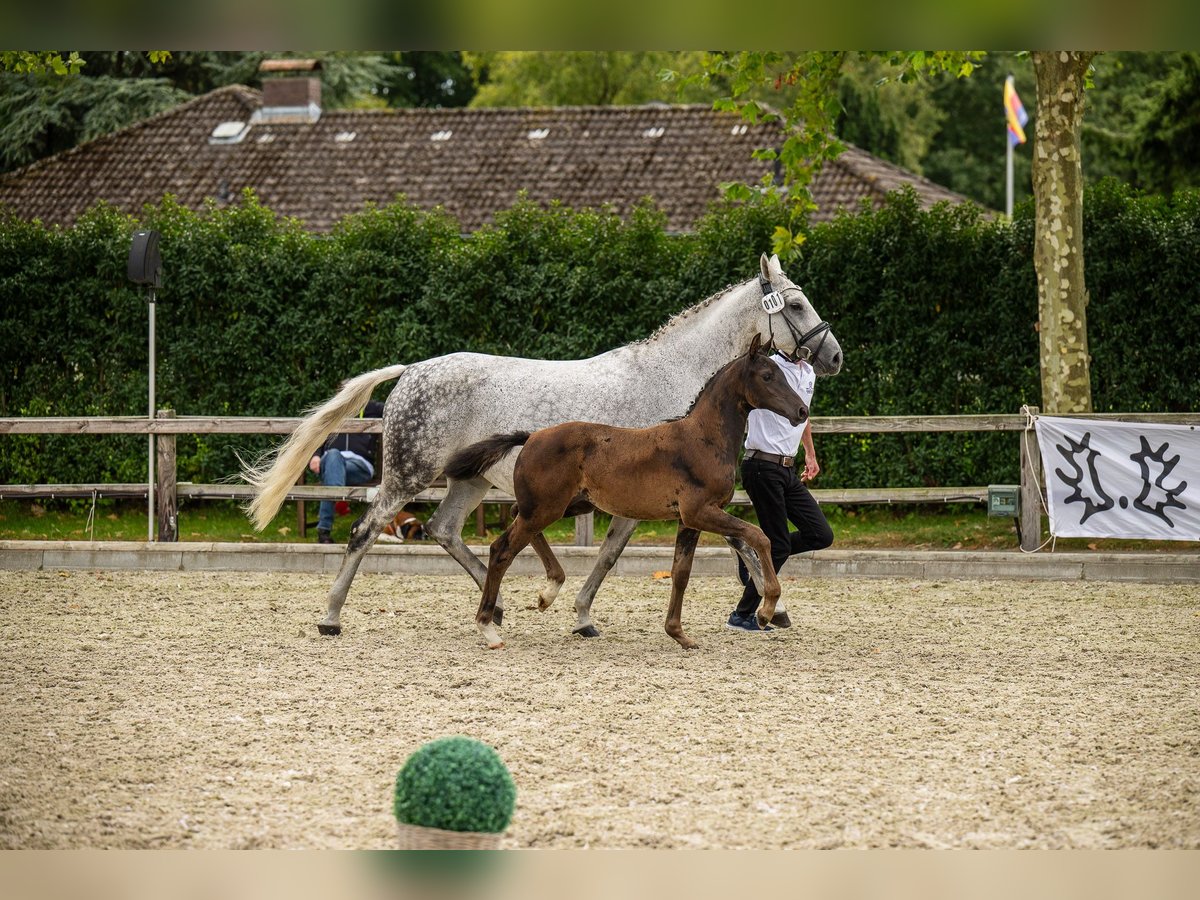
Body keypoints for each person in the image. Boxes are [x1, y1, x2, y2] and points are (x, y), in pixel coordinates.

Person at [727, 350, 833, 632]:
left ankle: (753, 553)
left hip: (787, 469)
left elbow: (803, 413)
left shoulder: (808, 372)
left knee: (821, 535)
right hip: (761, 465)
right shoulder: (767, 367)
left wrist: (810, 453)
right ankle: (741, 615)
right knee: (779, 545)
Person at [309, 399, 384, 544]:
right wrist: (316, 455)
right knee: (333, 454)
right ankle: (339, 498)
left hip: (359, 465)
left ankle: (324, 530)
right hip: (330, 460)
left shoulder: (373, 408)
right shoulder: (331, 410)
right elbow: (316, 434)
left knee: (331, 475)